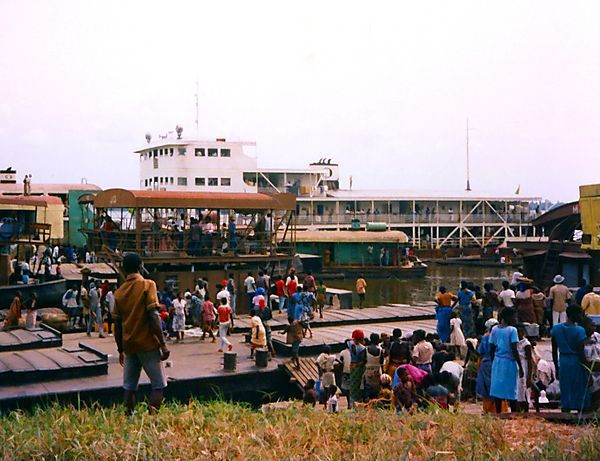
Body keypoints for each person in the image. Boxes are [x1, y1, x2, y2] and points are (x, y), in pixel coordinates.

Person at [113, 252, 170, 414]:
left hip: (129, 345)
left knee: (129, 387)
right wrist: (163, 344)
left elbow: (117, 325)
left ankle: (128, 418)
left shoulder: (119, 292)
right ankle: (151, 420)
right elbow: (153, 315)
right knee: (158, 385)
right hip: (147, 343)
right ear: (140, 266)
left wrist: (120, 349)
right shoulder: (148, 285)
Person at [551, 305, 590, 412]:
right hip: (576, 361)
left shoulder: (556, 329)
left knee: (566, 387)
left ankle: (566, 409)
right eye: (579, 314)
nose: (581, 316)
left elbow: (554, 350)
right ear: (574, 315)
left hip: (563, 361)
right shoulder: (579, 330)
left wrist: (556, 367)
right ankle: (579, 410)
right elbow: (581, 352)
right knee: (579, 387)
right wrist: (587, 368)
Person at [489, 307, 524, 413]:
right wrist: (520, 366)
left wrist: (493, 362)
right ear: (507, 317)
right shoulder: (512, 330)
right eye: (514, 316)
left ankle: (498, 413)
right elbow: (514, 349)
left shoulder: (494, 330)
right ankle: (513, 414)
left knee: (497, 389)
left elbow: (491, 348)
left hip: (498, 362)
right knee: (512, 390)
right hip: (510, 363)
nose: (515, 319)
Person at [476, 318, 503, 413]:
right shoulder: (501, 336)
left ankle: (488, 409)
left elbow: (480, 351)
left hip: (487, 363)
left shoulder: (485, 337)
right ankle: (500, 409)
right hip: (499, 362)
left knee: (486, 386)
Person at [582, 317, 600, 410]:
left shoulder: (597, 336)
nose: (594, 327)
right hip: (587, 369)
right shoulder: (581, 338)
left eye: (595, 325)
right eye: (591, 325)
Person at [515, 324, 534, 412]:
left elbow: (530, 360)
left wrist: (529, 376)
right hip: (515, 366)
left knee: (523, 388)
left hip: (523, 366)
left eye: (521, 331)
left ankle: (524, 409)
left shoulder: (526, 344)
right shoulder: (514, 342)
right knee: (517, 389)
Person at [347, 329, 366, 408]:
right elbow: (363, 360)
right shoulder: (363, 349)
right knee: (359, 385)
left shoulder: (350, 344)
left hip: (352, 366)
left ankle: (352, 403)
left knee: (352, 386)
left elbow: (348, 341)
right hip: (359, 368)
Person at [363, 333, 384, 399]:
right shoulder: (380, 350)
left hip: (367, 371)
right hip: (377, 371)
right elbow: (381, 362)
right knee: (377, 390)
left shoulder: (365, 349)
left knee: (367, 390)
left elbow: (363, 360)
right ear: (378, 340)